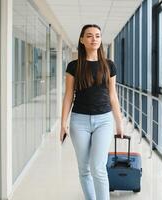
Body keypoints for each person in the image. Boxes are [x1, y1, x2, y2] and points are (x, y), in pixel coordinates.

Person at [60, 24, 123, 200]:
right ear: (82, 40)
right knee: (84, 168)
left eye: (97, 35)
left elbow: (113, 96)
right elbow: (68, 96)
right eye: (89, 36)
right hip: (79, 121)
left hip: (104, 120)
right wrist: (63, 123)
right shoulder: (73, 66)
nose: (94, 39)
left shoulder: (109, 65)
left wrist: (119, 123)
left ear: (101, 39)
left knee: (98, 167)